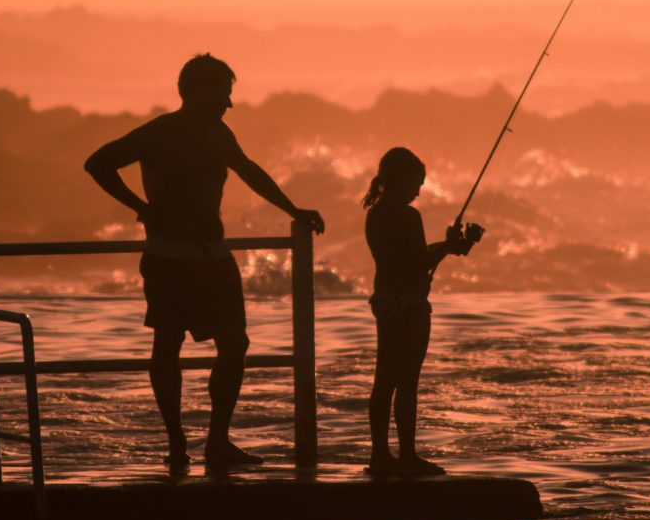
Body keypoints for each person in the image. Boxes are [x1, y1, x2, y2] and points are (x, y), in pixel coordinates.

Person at [84, 54, 324, 469]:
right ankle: (176, 441)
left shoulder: (220, 133)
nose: (228, 103)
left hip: (214, 256)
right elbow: (98, 163)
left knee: (235, 344)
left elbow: (249, 171)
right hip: (169, 257)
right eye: (222, 93)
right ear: (197, 90)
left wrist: (295, 211)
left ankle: (217, 441)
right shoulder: (160, 131)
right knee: (167, 346)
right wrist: (140, 207)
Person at [363, 147, 483, 476]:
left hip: (386, 301)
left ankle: (379, 456)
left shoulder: (375, 213)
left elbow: (406, 258)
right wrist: (448, 244)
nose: (419, 190)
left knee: (384, 380)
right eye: (416, 182)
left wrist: (449, 246)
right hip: (410, 306)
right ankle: (408, 457)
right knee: (408, 383)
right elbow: (419, 262)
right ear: (400, 179)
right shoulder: (407, 215)